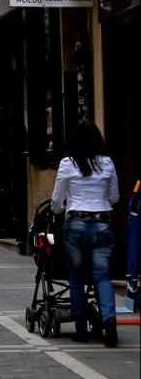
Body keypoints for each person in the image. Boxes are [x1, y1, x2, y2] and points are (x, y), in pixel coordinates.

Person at [51, 119, 120, 347]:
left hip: (76, 224)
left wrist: (60, 209)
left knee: (76, 278)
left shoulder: (67, 164)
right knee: (102, 276)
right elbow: (114, 197)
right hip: (101, 224)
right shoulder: (107, 163)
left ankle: (81, 330)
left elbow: (56, 200)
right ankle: (109, 320)